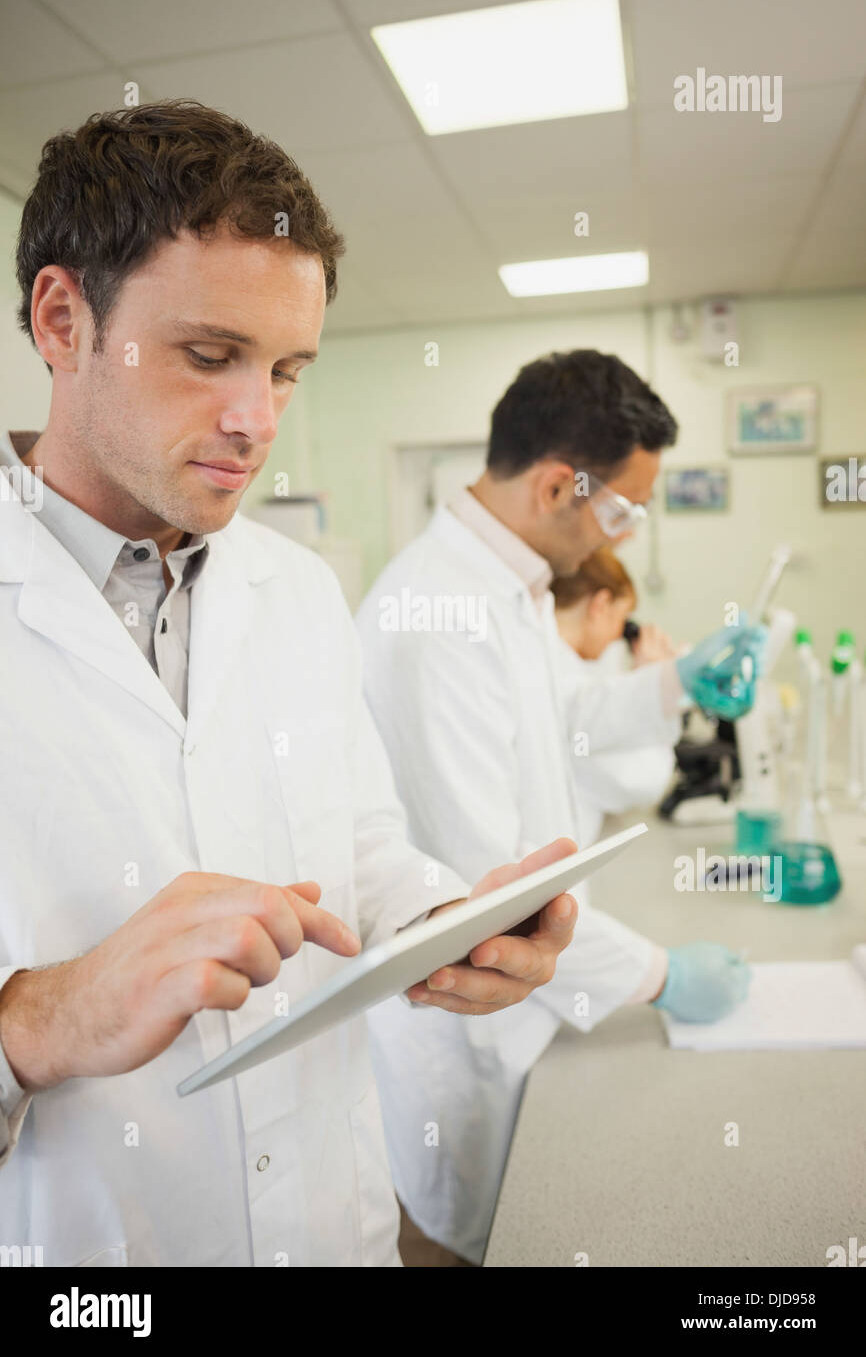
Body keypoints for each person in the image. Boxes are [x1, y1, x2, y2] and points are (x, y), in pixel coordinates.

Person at [0, 101, 581, 1268]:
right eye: (209, 356)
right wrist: (43, 1019)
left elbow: (353, 842)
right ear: (62, 320)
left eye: (287, 370)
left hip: (334, 1230)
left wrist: (434, 920)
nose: (256, 420)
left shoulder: (299, 590)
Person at [357, 350, 760, 1265]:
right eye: (619, 509)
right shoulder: (432, 618)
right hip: (464, 1031)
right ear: (554, 486)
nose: (624, 536)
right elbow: (482, 884)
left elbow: (569, 716)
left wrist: (672, 682)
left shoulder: (512, 588)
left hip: (529, 1007)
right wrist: (659, 972)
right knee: (488, 1242)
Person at [551, 547, 678, 845]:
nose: (617, 636)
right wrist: (653, 686)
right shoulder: (568, 691)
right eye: (622, 618)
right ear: (601, 604)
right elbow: (644, 781)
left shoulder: (557, 667)